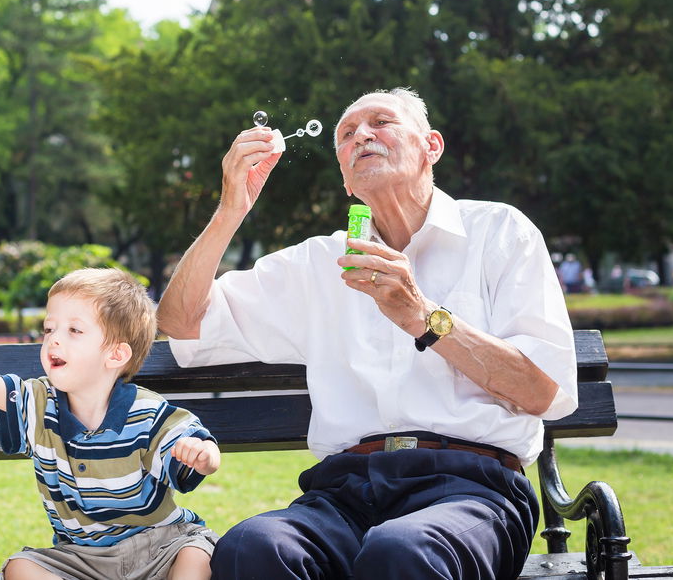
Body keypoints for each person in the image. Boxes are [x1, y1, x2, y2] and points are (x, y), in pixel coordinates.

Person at [157, 87, 578, 580]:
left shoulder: (500, 232)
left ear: (431, 146)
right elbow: (180, 322)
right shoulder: (317, 263)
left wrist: (422, 316)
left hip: (473, 488)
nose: (361, 135)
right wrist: (232, 207)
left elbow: (542, 391)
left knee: (401, 551)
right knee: (252, 547)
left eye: (381, 122)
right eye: (346, 134)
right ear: (345, 179)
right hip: (345, 491)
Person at [0, 268, 221, 580]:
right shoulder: (39, 404)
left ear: (116, 355)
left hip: (158, 547)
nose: (54, 339)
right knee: (20, 567)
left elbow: (194, 445)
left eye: (74, 330)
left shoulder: (146, 412)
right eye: (49, 328)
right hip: (81, 558)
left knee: (196, 555)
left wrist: (204, 455)